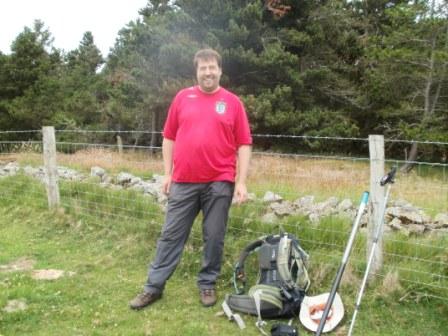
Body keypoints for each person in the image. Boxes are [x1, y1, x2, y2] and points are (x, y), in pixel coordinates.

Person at [130, 48, 252, 309]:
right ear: (196, 72)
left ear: (220, 70)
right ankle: (153, 287)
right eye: (203, 68)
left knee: (214, 236)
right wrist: (167, 173)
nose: (208, 72)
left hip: (220, 181)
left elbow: (244, 144)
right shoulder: (182, 98)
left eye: (212, 67)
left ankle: (207, 284)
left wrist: (241, 181)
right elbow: (169, 137)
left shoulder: (232, 103)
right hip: (184, 181)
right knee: (171, 235)